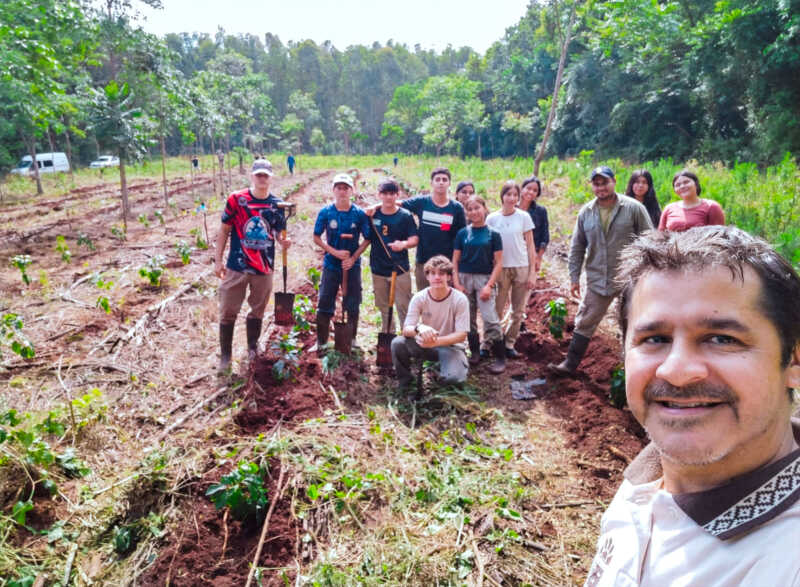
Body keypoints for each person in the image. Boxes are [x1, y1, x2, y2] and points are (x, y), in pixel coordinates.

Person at [585, 226, 800, 586]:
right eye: (654, 339)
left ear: (793, 360)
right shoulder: (645, 479)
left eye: (721, 338)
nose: (677, 371)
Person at [550, 166, 653, 376]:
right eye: (596, 184)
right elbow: (577, 246)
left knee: (632, 323)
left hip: (629, 278)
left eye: (604, 182)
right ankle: (570, 364)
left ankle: (633, 372)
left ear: (614, 181)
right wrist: (574, 277)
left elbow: (650, 241)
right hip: (598, 277)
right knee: (586, 320)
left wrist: (649, 275)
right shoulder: (586, 212)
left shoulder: (633, 208)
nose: (601, 187)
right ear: (592, 186)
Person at [215, 159, 291, 371]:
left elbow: (277, 231)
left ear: (271, 177)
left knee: (257, 310)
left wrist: (283, 240)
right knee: (228, 310)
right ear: (252, 176)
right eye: (258, 175)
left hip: (263, 268)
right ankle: (226, 356)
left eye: (265, 175)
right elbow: (224, 231)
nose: (262, 178)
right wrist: (218, 260)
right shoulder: (236, 200)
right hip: (237, 266)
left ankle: (251, 348)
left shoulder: (278, 205)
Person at [391, 255, 470, 389]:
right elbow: (406, 329)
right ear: (427, 277)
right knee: (398, 343)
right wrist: (419, 328)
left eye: (442, 273)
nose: (437, 277)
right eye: (432, 273)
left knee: (455, 380)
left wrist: (436, 341)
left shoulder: (459, 299)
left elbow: (461, 335)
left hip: (451, 347)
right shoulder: (419, 298)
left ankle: (443, 374)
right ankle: (405, 381)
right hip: (425, 344)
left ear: (449, 277)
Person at [312, 173, 371, 351]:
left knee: (353, 301)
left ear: (352, 191)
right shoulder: (326, 212)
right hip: (331, 264)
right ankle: (321, 342)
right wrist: (335, 252)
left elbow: (368, 238)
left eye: (346, 188)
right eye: (339, 188)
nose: (342, 191)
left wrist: (353, 258)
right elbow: (316, 237)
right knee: (325, 300)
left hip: (351, 266)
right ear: (333, 190)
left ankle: (351, 340)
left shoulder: (359, 214)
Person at [453, 196, 506, 374]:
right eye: (470, 209)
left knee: (490, 318)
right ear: (467, 212)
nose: (474, 212)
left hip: (484, 279)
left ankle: (500, 357)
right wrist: (457, 283)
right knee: (468, 319)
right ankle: (475, 352)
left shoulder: (493, 234)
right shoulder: (462, 233)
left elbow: (499, 263)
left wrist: (489, 285)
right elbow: (455, 261)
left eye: (477, 208)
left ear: (484, 208)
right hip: (465, 279)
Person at [487, 181, 536, 359]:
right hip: (500, 268)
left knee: (518, 310)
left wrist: (532, 272)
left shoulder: (524, 217)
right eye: (508, 194)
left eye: (515, 195)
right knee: (496, 308)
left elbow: (530, 246)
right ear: (502, 196)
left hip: (521, 267)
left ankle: (509, 343)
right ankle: (491, 341)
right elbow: (488, 246)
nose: (512, 198)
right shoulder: (492, 218)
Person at [400, 167, 467, 290]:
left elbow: (461, 238)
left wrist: (456, 265)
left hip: (446, 263)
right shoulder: (422, 202)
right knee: (425, 297)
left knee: (445, 299)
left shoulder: (456, 208)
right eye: (437, 179)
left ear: (449, 183)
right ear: (431, 183)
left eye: (444, 179)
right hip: (424, 261)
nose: (441, 182)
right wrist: (375, 207)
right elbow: (397, 204)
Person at [367, 179, 419, 333]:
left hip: (399, 268)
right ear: (379, 195)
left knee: (404, 306)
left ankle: (407, 338)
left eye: (392, 194)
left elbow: (414, 239)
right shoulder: (372, 215)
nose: (388, 197)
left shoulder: (405, 216)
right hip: (378, 269)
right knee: (384, 307)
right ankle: (388, 338)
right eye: (384, 193)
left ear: (397, 195)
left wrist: (403, 244)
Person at [658, 169, 725, 231]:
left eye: (686, 182)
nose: (682, 186)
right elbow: (660, 235)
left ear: (696, 184)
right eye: (678, 185)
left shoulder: (712, 207)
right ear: (675, 190)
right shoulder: (669, 208)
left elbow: (718, 235)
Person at [517, 176, 549, 274]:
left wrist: (538, 258)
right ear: (522, 189)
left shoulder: (541, 211)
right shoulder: (512, 208)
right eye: (528, 188)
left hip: (530, 256)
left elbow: (545, 237)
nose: (531, 192)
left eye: (535, 190)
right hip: (512, 254)